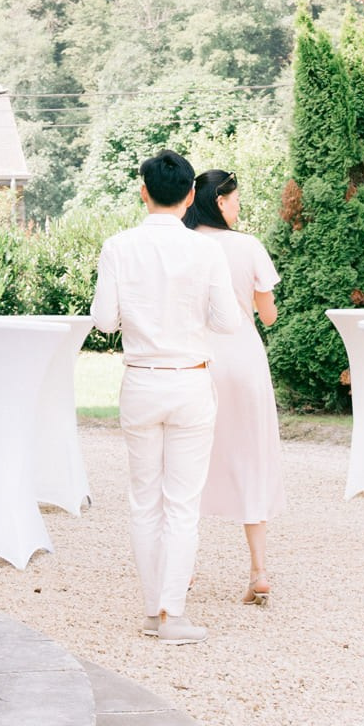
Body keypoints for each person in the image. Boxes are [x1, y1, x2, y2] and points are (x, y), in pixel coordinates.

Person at [91, 148, 245, 645]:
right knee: (182, 504)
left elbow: (104, 320)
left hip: (140, 378)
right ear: (190, 196)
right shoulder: (206, 251)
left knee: (143, 502)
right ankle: (170, 612)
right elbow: (227, 321)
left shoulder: (118, 246)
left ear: (144, 191)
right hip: (189, 379)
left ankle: (152, 609)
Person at [183, 169, 283, 604]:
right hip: (243, 358)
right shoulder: (247, 246)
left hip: (196, 359)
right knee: (252, 457)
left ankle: (182, 571)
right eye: (236, 198)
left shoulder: (184, 246)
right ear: (220, 202)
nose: (239, 205)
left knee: (188, 461)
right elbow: (269, 316)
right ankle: (259, 571)